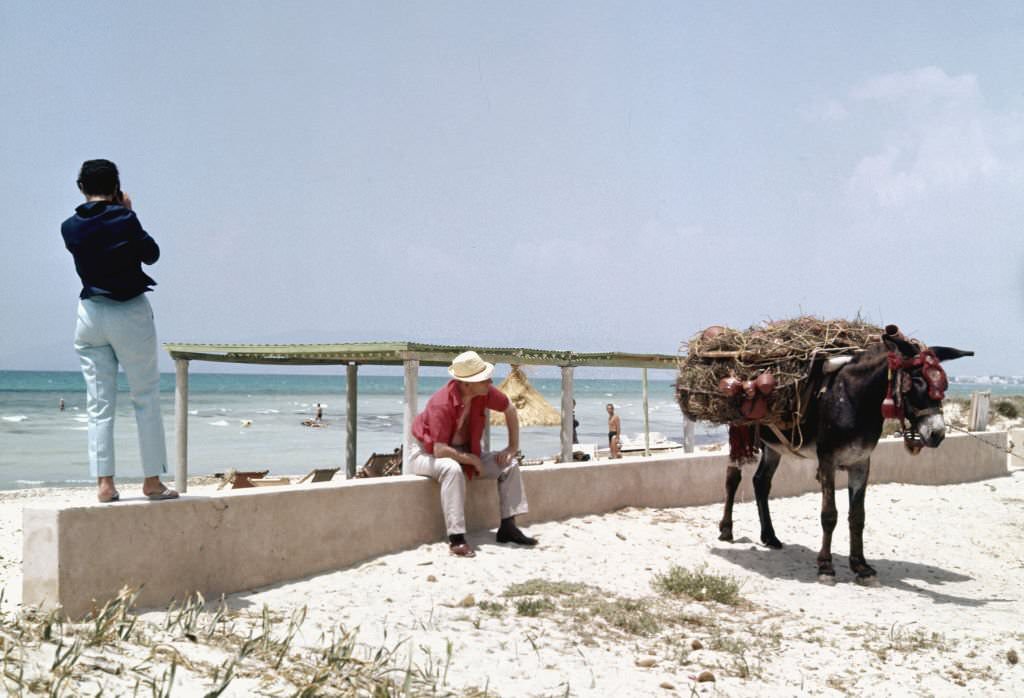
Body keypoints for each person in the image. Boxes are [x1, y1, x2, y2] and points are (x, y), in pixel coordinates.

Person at [61, 159, 177, 503]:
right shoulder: (125, 218)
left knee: (99, 404)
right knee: (145, 397)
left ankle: (105, 484)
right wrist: (128, 211)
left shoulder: (69, 227)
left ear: (81, 187)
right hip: (129, 311)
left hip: (90, 313)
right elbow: (151, 254)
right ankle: (152, 481)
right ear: (116, 187)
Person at [410, 350, 537, 557]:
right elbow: (439, 450)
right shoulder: (441, 403)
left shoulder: (484, 393)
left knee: (509, 465)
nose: (490, 381)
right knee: (452, 469)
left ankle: (508, 527)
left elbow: (510, 409)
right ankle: (457, 538)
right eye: (484, 378)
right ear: (466, 384)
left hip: (465, 452)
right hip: (427, 454)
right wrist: (469, 459)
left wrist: (512, 447)